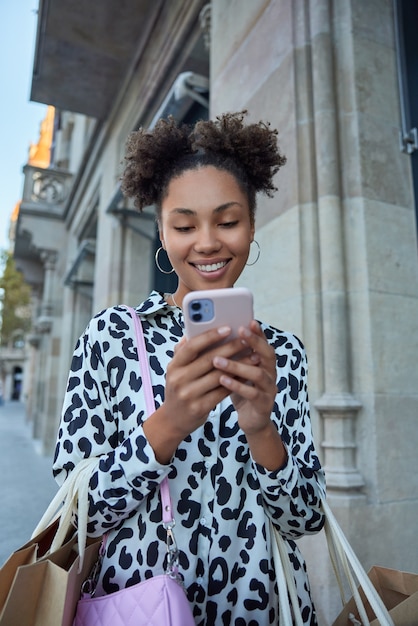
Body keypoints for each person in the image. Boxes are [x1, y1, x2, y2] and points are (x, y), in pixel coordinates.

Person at [53, 111, 326, 625]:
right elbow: (76, 515)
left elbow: (305, 517)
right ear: (160, 229)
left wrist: (261, 426)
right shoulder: (111, 336)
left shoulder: (281, 352)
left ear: (250, 224)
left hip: (260, 605)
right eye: (183, 225)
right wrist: (170, 422)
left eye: (228, 221)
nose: (206, 243)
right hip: (140, 603)